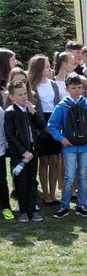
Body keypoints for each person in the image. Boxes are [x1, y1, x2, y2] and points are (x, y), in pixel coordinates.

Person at [48, 73, 87, 218]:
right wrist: (61, 139)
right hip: (69, 146)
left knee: (83, 176)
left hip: (86, 146)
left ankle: (81, 205)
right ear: (67, 89)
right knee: (69, 176)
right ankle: (64, 206)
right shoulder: (62, 106)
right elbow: (51, 125)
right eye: (73, 88)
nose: (77, 90)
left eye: (79, 87)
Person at [4, 80, 46, 222]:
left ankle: (32, 210)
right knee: (21, 182)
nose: (23, 97)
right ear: (11, 97)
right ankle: (22, 211)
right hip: (19, 154)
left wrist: (33, 112)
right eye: (20, 94)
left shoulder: (30, 109)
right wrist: (23, 152)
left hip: (33, 152)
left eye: (25, 93)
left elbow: (42, 127)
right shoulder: (10, 113)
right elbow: (10, 136)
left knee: (32, 181)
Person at [28, 54, 62, 205]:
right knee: (44, 160)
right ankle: (46, 194)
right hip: (39, 123)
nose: (50, 69)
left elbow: (57, 104)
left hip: (54, 122)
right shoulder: (32, 85)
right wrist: (40, 126)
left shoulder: (53, 84)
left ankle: (53, 193)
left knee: (55, 160)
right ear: (39, 69)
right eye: (47, 66)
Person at [0, 100, 14, 220]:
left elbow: (4, 132)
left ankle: (5, 207)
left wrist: (4, 147)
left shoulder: (0, 112)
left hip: (0, 151)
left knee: (2, 181)